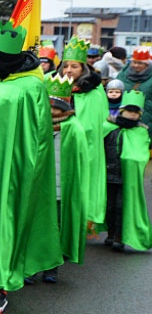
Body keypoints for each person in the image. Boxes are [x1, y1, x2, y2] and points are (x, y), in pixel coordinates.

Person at [0, 22, 61, 314]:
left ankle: (1, 285)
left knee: (5, 225)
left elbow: (39, 138)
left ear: (5, 57)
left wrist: (28, 174)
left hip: (12, 171)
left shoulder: (31, 86)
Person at [29, 74, 92, 284]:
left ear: (64, 109)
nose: (52, 111)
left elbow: (80, 161)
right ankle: (30, 267)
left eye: (56, 107)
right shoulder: (36, 126)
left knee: (54, 229)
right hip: (39, 190)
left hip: (59, 191)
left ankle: (52, 267)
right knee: (34, 227)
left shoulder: (73, 128)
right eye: (49, 106)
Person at [58, 38, 109, 227]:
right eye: (66, 66)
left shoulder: (94, 92)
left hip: (86, 146)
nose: (68, 70)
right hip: (60, 143)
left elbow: (98, 121)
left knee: (82, 184)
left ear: (83, 69)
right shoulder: (57, 87)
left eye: (74, 67)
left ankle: (80, 222)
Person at [102, 90, 152, 252]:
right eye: (129, 111)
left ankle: (119, 236)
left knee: (120, 206)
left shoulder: (141, 132)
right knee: (108, 206)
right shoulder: (109, 127)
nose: (132, 115)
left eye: (135, 112)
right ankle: (110, 232)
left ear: (139, 115)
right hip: (108, 174)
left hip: (126, 177)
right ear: (122, 111)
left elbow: (141, 154)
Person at [115, 46, 152, 133]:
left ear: (147, 64)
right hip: (124, 118)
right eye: (134, 62)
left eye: (140, 63)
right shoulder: (122, 75)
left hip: (147, 119)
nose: (136, 65)